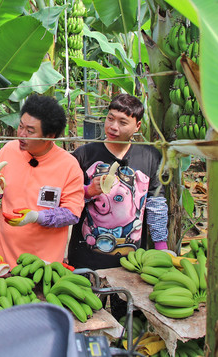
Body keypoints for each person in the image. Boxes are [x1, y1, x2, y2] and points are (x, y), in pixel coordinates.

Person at [67, 93, 169, 271]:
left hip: (132, 260)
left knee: (126, 299)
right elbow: (67, 196)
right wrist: (88, 191)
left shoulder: (150, 157)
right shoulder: (84, 155)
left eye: (122, 122)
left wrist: (161, 247)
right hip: (86, 257)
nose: (113, 127)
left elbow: (156, 204)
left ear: (137, 126)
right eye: (110, 119)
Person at [0, 95, 85, 267]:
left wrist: (36, 217)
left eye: (30, 131)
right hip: (2, 257)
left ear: (50, 136)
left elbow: (72, 213)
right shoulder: (9, 151)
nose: (21, 134)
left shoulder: (69, 166)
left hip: (42, 264)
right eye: (21, 126)